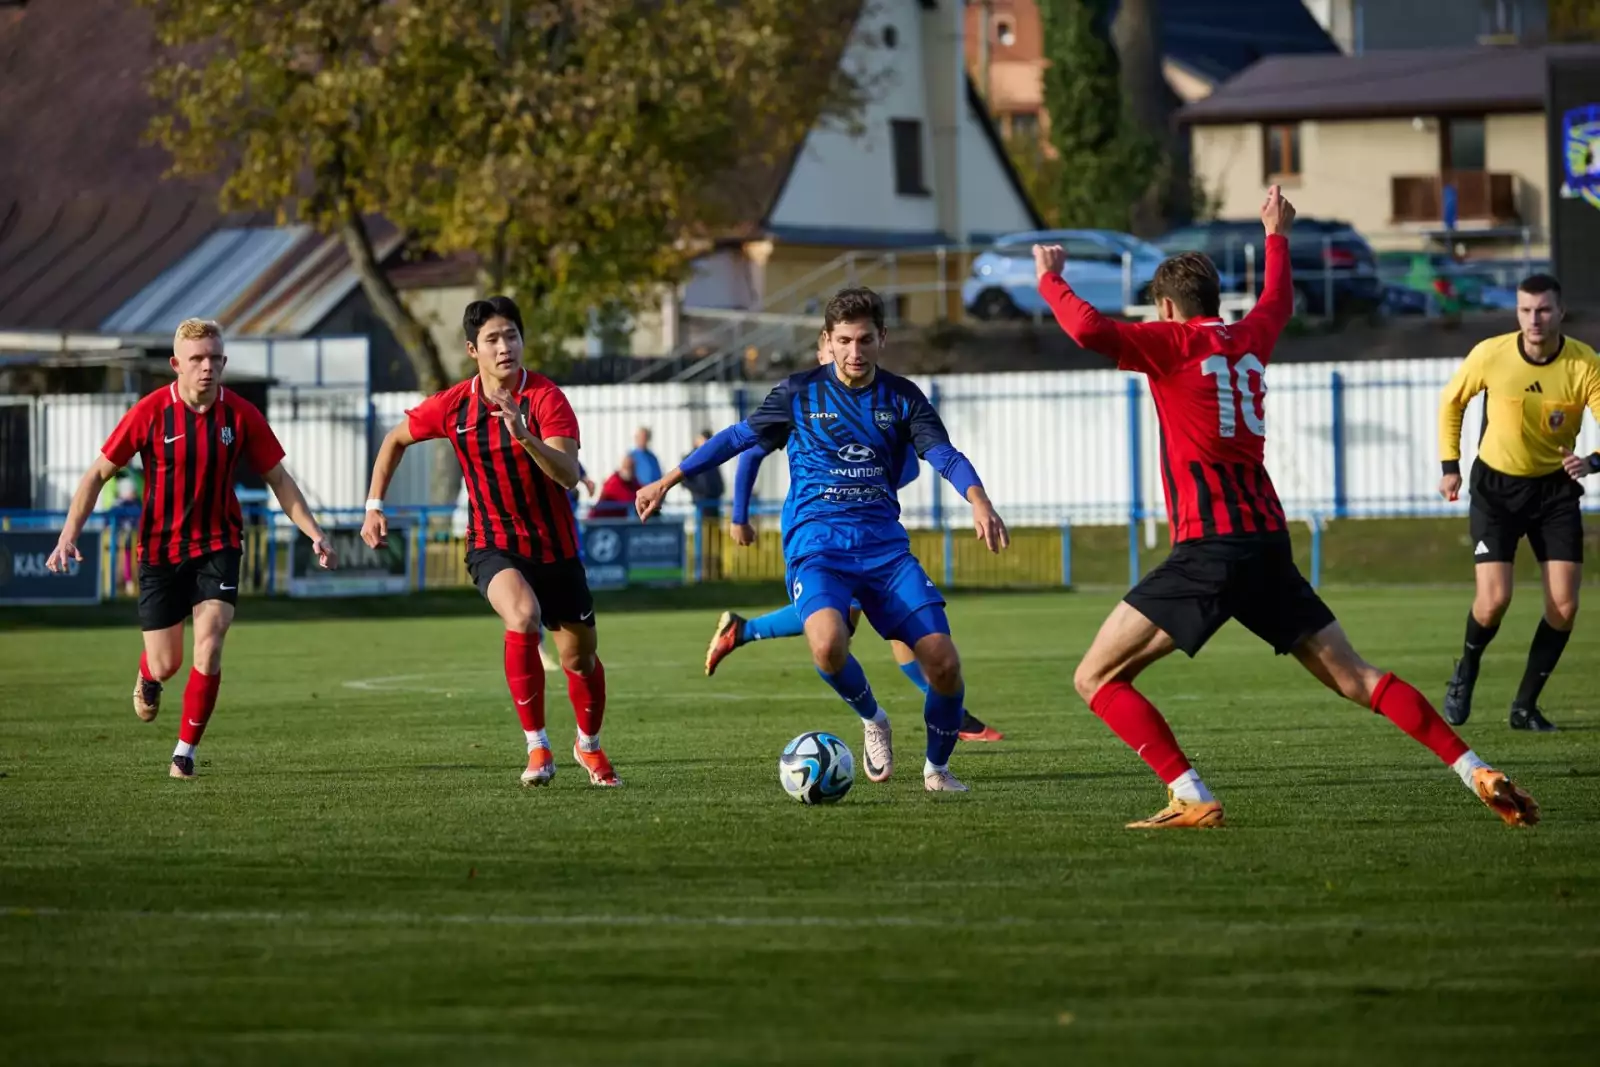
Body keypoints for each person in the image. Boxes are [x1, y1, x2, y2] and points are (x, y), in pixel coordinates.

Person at [1035, 186, 1538, 829]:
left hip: (1210, 549)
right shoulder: (1249, 339)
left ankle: (1190, 793)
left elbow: (1086, 328)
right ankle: (1476, 770)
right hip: (1267, 542)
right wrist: (1276, 234)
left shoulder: (1170, 346)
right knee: (1357, 677)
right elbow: (1278, 301)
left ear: (1165, 308)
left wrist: (1052, 281)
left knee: (1095, 678)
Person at [636, 287, 1010, 793]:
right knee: (829, 644)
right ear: (827, 342)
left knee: (943, 663)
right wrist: (667, 480)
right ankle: (874, 719)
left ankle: (937, 770)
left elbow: (942, 453)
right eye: (844, 341)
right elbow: (739, 441)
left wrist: (978, 499)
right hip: (818, 546)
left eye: (864, 341)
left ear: (882, 339)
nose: (854, 353)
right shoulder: (799, 392)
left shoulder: (903, 398)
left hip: (885, 551)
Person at [46, 318, 337, 779]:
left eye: (215, 358)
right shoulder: (150, 413)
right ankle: (148, 673)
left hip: (219, 544)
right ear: (176, 364)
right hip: (160, 552)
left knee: (212, 640)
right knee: (167, 663)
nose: (207, 367)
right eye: (197, 359)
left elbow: (279, 479)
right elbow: (96, 475)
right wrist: (68, 535)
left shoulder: (239, 415)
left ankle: (185, 751)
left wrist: (313, 531)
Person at [361, 296, 618, 788]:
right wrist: (374, 505)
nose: (505, 347)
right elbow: (394, 440)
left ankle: (588, 746)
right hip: (492, 544)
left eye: (512, 336)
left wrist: (523, 434)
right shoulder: (454, 404)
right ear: (472, 350)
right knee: (522, 616)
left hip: (557, 549)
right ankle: (537, 746)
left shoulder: (546, 399)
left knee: (579, 659)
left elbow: (567, 474)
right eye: (493, 340)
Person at [705, 335, 1005, 743]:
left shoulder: (887, 402)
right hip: (819, 535)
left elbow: (916, 465)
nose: (849, 358)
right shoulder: (805, 399)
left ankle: (745, 630)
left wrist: (875, 483)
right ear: (822, 353)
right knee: (841, 623)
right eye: (837, 349)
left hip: (873, 532)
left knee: (885, 621)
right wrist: (739, 515)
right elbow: (749, 450)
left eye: (860, 345)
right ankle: (919, 714)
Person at [1438, 274, 1600, 732]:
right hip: (1497, 490)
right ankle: (1466, 671)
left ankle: (1525, 706)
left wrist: (1592, 461)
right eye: (1526, 310)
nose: (1534, 318)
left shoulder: (1584, 365)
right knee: (1493, 602)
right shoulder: (1491, 354)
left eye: (1544, 309)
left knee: (1565, 607)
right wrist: (1449, 465)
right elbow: (1453, 401)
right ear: (1517, 313)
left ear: (1560, 312)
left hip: (1554, 492)